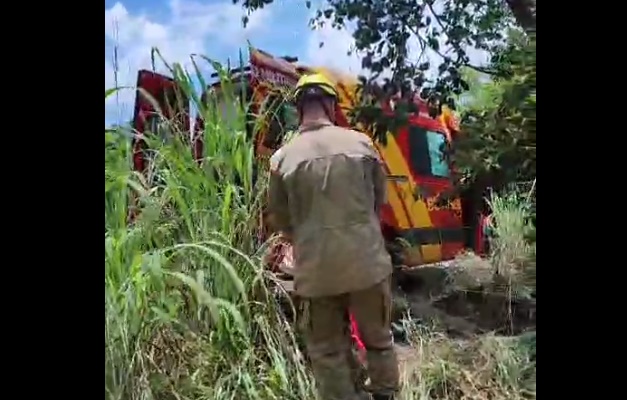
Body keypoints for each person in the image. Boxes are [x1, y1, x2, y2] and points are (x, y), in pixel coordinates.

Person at [267, 73, 400, 400]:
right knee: (379, 341)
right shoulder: (362, 144)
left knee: (327, 352)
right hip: (367, 265)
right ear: (330, 104)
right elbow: (378, 201)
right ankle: (384, 395)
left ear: (299, 109)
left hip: (316, 272)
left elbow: (281, 221)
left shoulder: (281, 159)